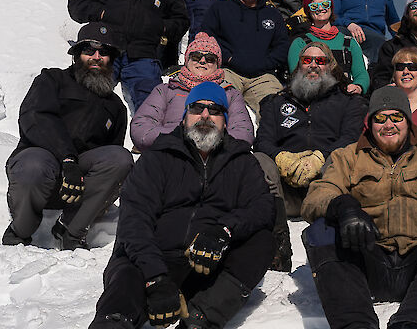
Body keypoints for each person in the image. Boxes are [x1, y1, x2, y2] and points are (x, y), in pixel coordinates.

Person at [87, 83, 276, 329]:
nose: (205, 115)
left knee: (261, 241)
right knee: (124, 283)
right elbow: (135, 220)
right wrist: (156, 279)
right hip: (148, 262)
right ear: (185, 116)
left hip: (206, 263)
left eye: (216, 110)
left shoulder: (241, 161)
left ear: (226, 121)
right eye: (197, 108)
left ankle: (200, 317)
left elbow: (262, 207)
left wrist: (224, 230)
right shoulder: (158, 156)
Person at [301, 87, 417, 329]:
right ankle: (355, 323)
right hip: (367, 261)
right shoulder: (348, 156)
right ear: (370, 123)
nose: (388, 125)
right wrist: (344, 208)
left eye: (396, 117)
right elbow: (317, 195)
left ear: (408, 120)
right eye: (380, 118)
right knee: (321, 230)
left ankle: (415, 323)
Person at [4, 22, 133, 251]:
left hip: (76, 188)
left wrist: (79, 171)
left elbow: (111, 164)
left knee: (121, 159)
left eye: (104, 52)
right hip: (40, 170)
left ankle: (70, 228)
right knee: (35, 164)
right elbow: (36, 118)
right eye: (89, 51)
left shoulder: (116, 107)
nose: (96, 57)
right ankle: (20, 230)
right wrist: (67, 158)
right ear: (76, 55)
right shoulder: (52, 80)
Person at [67, 0, 190, 107]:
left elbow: (182, 21)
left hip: (143, 57)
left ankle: (151, 133)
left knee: (152, 107)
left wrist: (160, 27)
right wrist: (103, 13)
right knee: (86, 99)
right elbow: (76, 5)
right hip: (103, 51)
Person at [254, 42, 367, 219]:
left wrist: (320, 156)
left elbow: (351, 137)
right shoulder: (276, 102)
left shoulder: (348, 102)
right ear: (299, 65)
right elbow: (262, 141)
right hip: (284, 192)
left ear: (329, 66)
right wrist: (281, 158)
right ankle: (270, 219)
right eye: (307, 60)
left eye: (320, 60)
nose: (313, 65)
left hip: (327, 188)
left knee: (341, 155)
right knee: (259, 159)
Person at [130, 33, 253, 149]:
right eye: (196, 56)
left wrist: (209, 142)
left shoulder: (230, 93)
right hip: (170, 155)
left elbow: (243, 134)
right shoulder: (166, 90)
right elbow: (141, 128)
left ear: (218, 63)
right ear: (187, 60)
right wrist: (182, 139)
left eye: (210, 58)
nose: (202, 61)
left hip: (215, 160)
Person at [198, 0, 289, 114]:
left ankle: (266, 138)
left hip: (263, 76)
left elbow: (282, 46)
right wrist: (228, 58)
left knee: (277, 110)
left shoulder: (273, 15)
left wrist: (266, 63)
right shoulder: (220, 8)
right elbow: (207, 37)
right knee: (215, 104)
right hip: (228, 71)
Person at [289, 0, 370, 95]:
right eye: (314, 6)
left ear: (331, 7)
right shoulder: (300, 43)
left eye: (325, 4)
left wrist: (358, 86)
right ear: (308, 11)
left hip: (344, 95)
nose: (320, 8)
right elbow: (296, 75)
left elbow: (361, 74)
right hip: (312, 95)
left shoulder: (349, 42)